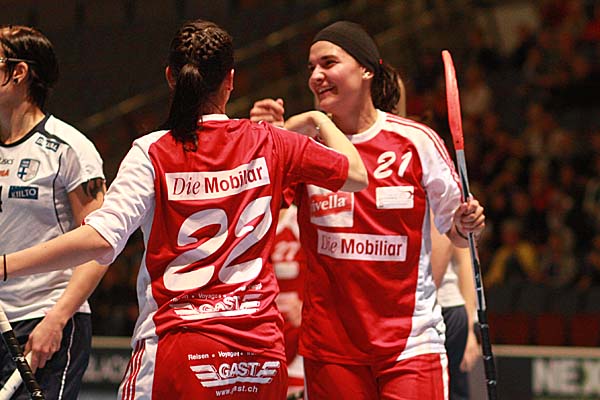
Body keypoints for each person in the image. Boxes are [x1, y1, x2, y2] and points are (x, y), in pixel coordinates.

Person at [3, 19, 368, 400]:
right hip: (260, 356)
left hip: (179, 350)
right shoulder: (272, 142)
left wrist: (5, 265)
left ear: (170, 78)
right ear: (230, 80)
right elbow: (357, 175)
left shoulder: (152, 151)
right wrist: (316, 119)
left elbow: (101, 239)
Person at [250, 20, 485, 399]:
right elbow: (253, 209)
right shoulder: (305, 145)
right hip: (330, 350)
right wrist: (265, 144)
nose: (316, 76)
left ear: (366, 70)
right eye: (311, 68)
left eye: (328, 63)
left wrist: (466, 223)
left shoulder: (417, 142)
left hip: (409, 343)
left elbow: (458, 233)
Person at [0, 25, 107, 399]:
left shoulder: (69, 148)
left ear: (19, 72)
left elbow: (100, 244)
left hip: (45, 319)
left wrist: (58, 318)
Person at [431, 224, 479, 400]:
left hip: (446, 311)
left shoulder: (442, 206)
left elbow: (466, 262)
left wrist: (470, 330)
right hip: (401, 312)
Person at [270, 205, 306, 398]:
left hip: (299, 332)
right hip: (266, 331)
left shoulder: (298, 220)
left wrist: (307, 306)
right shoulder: (251, 221)